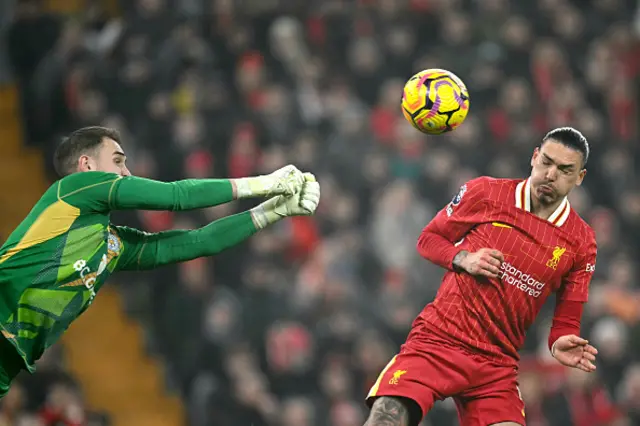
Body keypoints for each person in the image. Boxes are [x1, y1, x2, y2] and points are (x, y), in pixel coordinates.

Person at [0, 126, 320, 398]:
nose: (126, 172)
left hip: (9, 361)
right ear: (86, 165)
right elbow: (175, 196)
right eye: (117, 161)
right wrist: (264, 183)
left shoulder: (111, 247)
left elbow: (200, 241)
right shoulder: (71, 189)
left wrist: (273, 210)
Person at [364, 127, 598, 426]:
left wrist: (560, 341)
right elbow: (428, 239)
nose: (551, 174)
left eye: (565, 170)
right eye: (547, 163)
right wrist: (463, 259)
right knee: (386, 419)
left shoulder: (581, 241)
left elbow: (566, 319)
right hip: (439, 341)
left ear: (579, 177)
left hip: (496, 365)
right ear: (534, 157)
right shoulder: (487, 192)